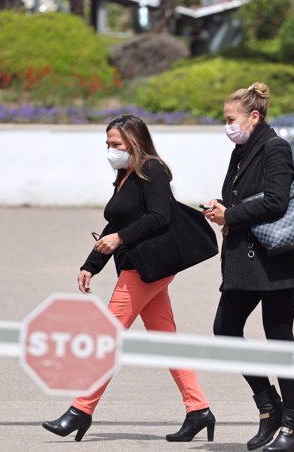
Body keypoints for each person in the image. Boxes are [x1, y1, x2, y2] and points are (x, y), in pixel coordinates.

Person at [42, 114, 215, 443]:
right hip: (142, 268)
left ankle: (80, 410)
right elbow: (116, 223)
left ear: (134, 142)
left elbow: (159, 217)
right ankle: (199, 410)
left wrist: (120, 239)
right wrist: (91, 264)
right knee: (166, 340)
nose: (110, 150)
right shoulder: (125, 174)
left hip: (145, 269)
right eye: (107, 144)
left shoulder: (152, 170)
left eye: (116, 144)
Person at [202, 82, 294, 452]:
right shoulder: (243, 147)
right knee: (226, 328)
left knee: (280, 339)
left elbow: (277, 200)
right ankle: (270, 409)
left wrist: (231, 213)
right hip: (246, 259)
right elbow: (244, 195)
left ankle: (293, 426)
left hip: (275, 260)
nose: (227, 126)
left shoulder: (274, 146)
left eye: (230, 119)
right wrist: (220, 206)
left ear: (253, 116)